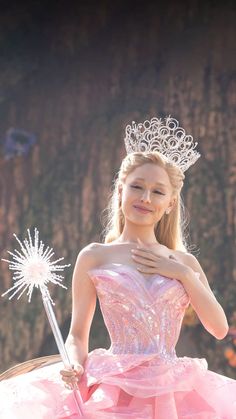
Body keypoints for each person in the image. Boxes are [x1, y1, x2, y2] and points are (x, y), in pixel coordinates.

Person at [0, 116, 236, 418]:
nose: (146, 198)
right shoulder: (95, 257)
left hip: (173, 390)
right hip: (114, 386)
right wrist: (74, 363)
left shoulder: (185, 263)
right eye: (137, 186)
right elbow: (77, 335)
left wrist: (181, 273)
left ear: (171, 203)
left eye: (158, 191)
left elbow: (218, 329)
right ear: (121, 190)